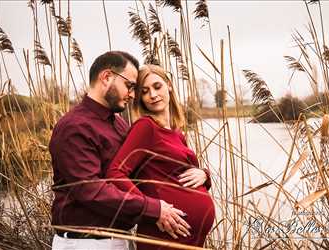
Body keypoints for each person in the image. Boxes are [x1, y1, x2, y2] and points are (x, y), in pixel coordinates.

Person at [49, 51, 191, 250]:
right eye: (130, 86)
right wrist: (153, 209)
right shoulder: (74, 127)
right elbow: (91, 190)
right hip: (85, 243)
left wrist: (203, 174)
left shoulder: (120, 124)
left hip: (118, 240)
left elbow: (146, 171)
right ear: (107, 77)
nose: (133, 95)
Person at [106, 64, 215, 249]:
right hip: (164, 235)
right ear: (140, 98)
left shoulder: (176, 132)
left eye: (157, 87)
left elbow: (180, 172)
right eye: (145, 91)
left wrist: (205, 175)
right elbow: (115, 172)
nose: (153, 95)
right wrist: (152, 210)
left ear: (169, 85)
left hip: (189, 239)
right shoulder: (146, 127)